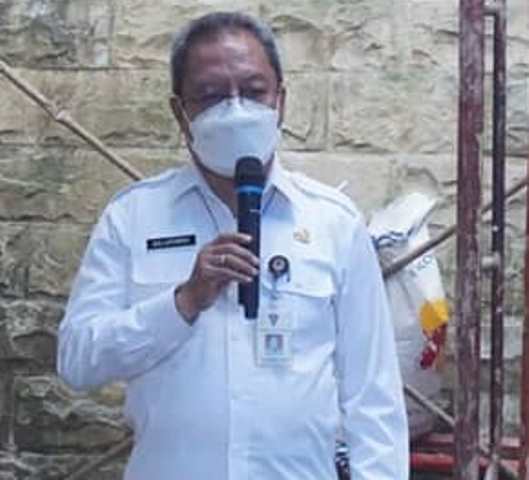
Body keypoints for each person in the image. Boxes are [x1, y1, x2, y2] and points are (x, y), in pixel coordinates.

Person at [57, 11, 409, 480]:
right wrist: (182, 303)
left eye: (254, 91)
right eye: (211, 96)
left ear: (281, 101)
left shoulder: (333, 222)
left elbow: (374, 396)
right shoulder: (133, 217)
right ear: (180, 113)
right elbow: (78, 361)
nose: (236, 110)